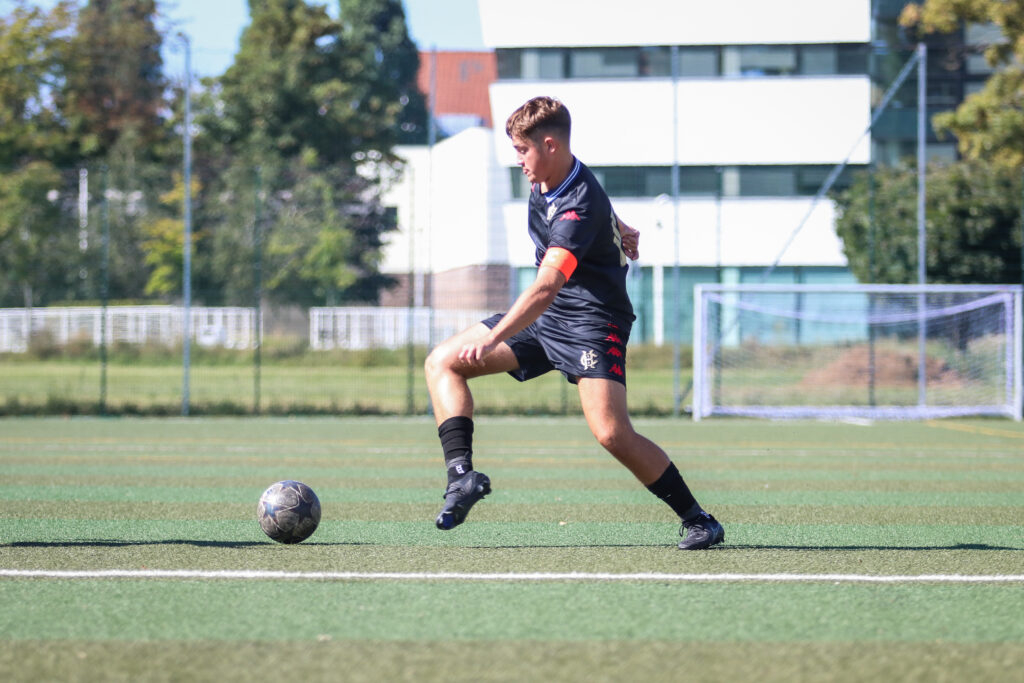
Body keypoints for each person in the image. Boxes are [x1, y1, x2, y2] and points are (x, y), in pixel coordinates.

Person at [423, 96, 724, 550]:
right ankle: (461, 477)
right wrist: (620, 225)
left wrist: (495, 337)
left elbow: (547, 284)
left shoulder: (575, 205)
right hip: (549, 316)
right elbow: (592, 201)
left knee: (612, 433)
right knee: (441, 362)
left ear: (550, 145)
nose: (518, 161)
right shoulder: (551, 176)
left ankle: (700, 519)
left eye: (522, 150)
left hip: (592, 322)